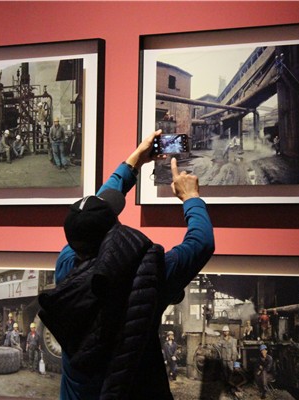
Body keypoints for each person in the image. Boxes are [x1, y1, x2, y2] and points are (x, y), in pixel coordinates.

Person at [38, 129, 215, 399]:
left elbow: (95, 213)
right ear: (113, 232)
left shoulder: (66, 264)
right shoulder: (147, 274)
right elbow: (201, 243)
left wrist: (134, 161)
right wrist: (190, 197)